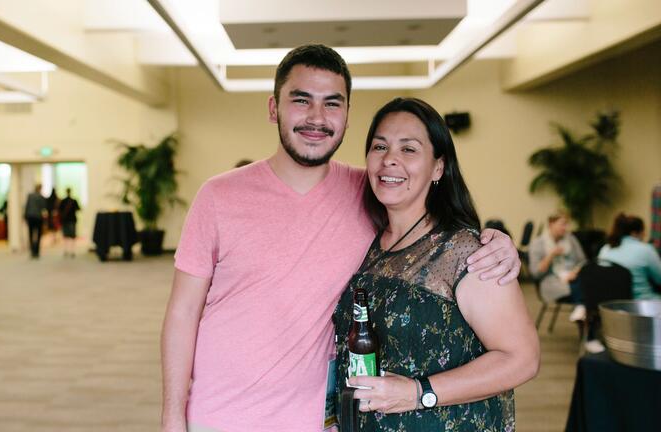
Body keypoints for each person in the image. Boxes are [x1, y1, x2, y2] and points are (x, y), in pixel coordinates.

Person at [161, 44, 521, 432]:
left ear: (347, 117)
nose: (317, 117)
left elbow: (432, 228)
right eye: (301, 100)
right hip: (223, 415)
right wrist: (171, 416)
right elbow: (182, 314)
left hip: (321, 421)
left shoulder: (370, 192)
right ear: (273, 108)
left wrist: (496, 244)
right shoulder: (218, 196)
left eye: (332, 104)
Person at [334, 97, 539, 431]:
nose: (390, 160)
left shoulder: (465, 252)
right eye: (379, 146)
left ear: (439, 168)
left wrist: (419, 393)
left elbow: (522, 358)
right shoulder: (367, 240)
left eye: (409, 149)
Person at [529, 211, 587, 321]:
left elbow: (582, 261)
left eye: (567, 224)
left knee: (588, 284)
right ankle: (581, 307)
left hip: (573, 276)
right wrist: (551, 255)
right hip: (551, 282)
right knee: (588, 290)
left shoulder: (570, 239)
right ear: (551, 224)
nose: (566, 228)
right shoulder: (538, 243)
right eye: (563, 224)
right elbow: (536, 273)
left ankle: (582, 309)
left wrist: (574, 272)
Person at [598, 213, 661, 299]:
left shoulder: (605, 249)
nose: (645, 234)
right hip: (643, 304)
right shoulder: (646, 249)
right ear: (634, 233)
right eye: (643, 231)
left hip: (612, 305)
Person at [24, 184, 47, 258]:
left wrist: (25, 216)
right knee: (38, 234)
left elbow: (26, 206)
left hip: (30, 217)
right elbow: (43, 208)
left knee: (31, 234)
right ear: (40, 188)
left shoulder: (30, 196)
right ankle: (36, 251)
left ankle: (32, 251)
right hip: (38, 217)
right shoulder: (41, 197)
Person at [58, 187, 81, 258]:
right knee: (72, 236)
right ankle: (72, 251)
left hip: (66, 220)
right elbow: (78, 209)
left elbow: (59, 210)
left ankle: (67, 250)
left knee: (66, 236)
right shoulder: (73, 201)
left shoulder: (63, 201)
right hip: (71, 220)